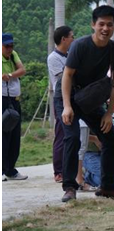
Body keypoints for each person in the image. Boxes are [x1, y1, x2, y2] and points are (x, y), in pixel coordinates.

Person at [55, 5, 114, 202]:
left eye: (109, 25)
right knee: (72, 138)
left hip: (90, 99)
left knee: (110, 138)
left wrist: (108, 113)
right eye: (101, 24)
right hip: (67, 96)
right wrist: (68, 106)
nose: (105, 28)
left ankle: (107, 187)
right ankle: (70, 187)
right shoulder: (80, 45)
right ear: (93, 25)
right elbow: (67, 75)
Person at [47, 26, 75, 183]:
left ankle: (70, 169)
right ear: (64, 39)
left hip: (74, 97)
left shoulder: (70, 55)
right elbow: (66, 75)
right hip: (61, 99)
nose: (73, 39)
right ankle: (58, 170)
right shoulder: (54, 58)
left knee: (73, 135)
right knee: (62, 134)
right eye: (71, 36)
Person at [2, 33, 27, 181]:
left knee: (14, 136)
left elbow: (22, 70)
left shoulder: (13, 54)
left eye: (11, 45)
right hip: (2, 100)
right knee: (3, 135)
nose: (9, 49)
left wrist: (10, 74)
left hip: (14, 100)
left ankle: (10, 170)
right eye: (6, 46)